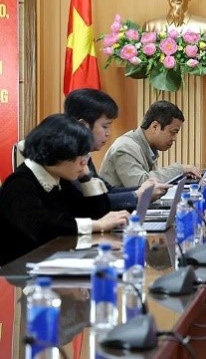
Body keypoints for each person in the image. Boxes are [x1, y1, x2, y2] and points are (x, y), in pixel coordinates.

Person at [0, 114, 130, 266]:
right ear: (57, 152)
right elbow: (41, 226)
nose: (84, 162)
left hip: (53, 260)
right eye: (79, 155)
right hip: (20, 271)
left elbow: (97, 215)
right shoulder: (19, 184)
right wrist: (98, 225)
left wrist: (86, 178)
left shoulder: (59, 179)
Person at [64, 88, 170, 210]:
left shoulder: (83, 154)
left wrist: (142, 189)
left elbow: (105, 191)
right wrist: (137, 195)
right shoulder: (66, 157)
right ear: (83, 125)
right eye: (105, 126)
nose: (108, 133)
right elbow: (85, 203)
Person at [100, 100, 201, 188]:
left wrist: (179, 176)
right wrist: (179, 170)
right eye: (173, 132)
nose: (174, 139)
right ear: (155, 127)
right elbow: (141, 184)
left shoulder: (147, 146)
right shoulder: (125, 148)